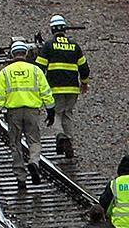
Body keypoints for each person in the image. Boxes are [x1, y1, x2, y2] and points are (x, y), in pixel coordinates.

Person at [0, 41, 55, 189]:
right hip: (32, 111)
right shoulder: (35, 70)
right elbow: (46, 91)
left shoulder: (5, 72)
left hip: (14, 113)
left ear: (12, 54)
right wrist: (50, 110)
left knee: (16, 144)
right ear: (26, 53)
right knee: (34, 141)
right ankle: (33, 161)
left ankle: (21, 178)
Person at [35, 14, 90, 158]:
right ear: (65, 29)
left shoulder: (48, 45)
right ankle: (69, 141)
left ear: (52, 29)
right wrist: (84, 83)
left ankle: (60, 135)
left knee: (56, 113)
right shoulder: (74, 46)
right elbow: (84, 67)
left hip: (54, 87)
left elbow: (40, 67)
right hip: (72, 88)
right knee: (68, 114)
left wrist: (39, 86)